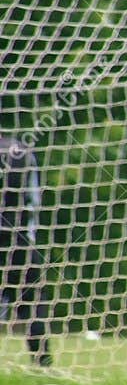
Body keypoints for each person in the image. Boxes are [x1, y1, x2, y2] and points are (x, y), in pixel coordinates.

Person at [0, 134, 50, 367]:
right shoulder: (22, 151)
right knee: (32, 306)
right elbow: (33, 199)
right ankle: (43, 363)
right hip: (18, 238)